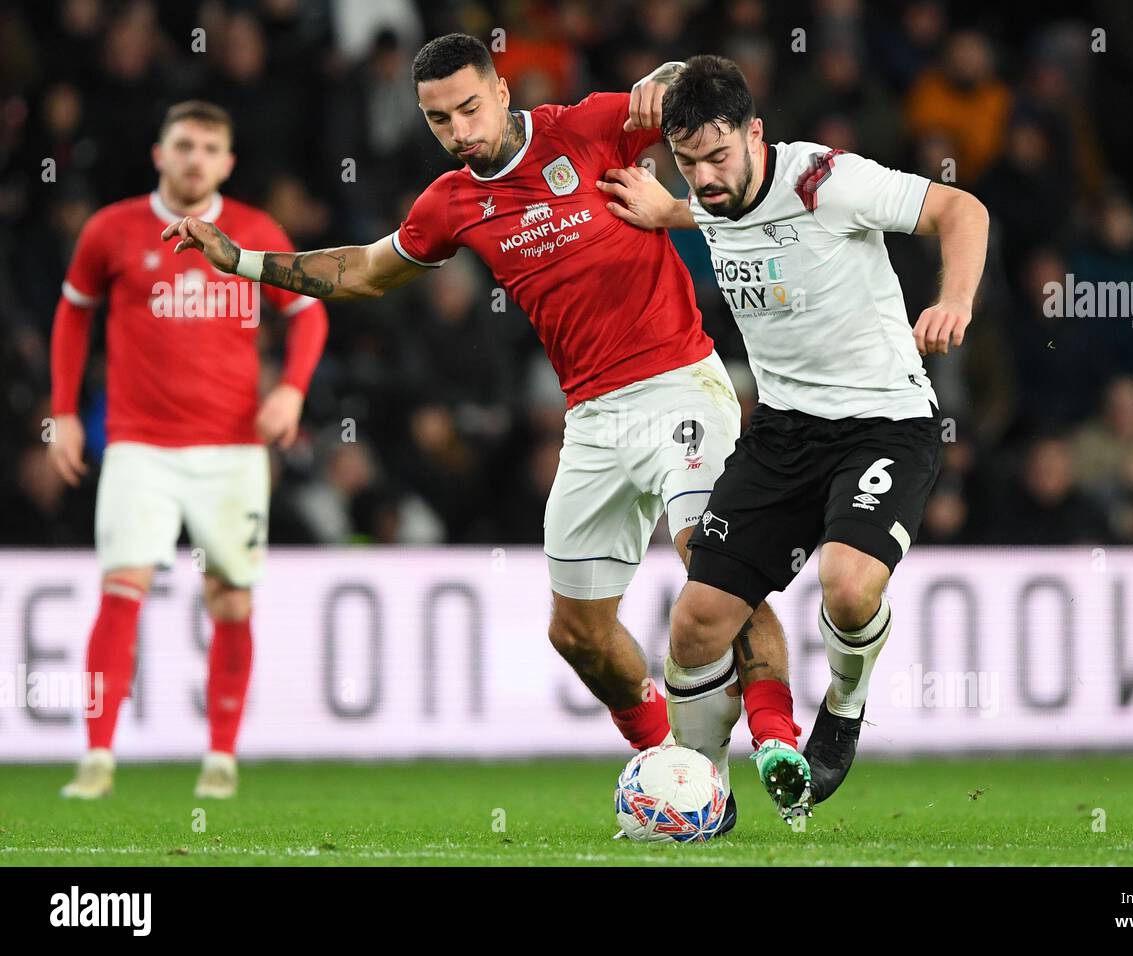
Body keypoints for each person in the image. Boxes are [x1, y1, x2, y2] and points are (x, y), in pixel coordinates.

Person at [162, 34, 790, 834]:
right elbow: (362, 270)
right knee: (578, 633)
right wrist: (241, 262)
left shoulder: (588, 125)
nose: (459, 131)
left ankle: (777, 736)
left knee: (714, 558)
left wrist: (667, 74)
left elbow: (701, 95)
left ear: (501, 88)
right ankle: (673, 767)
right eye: (438, 120)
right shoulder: (451, 203)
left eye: (468, 107)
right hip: (594, 416)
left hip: (680, 382)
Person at [598, 55, 988, 820]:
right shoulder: (707, 194)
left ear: (755, 133)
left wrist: (955, 302)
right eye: (687, 163)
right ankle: (701, 795)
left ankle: (844, 705)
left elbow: (962, 210)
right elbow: (712, 209)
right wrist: (663, 206)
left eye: (717, 156)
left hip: (884, 423)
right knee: (696, 621)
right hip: (781, 433)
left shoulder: (826, 181)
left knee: (847, 588)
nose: (704, 177)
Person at [52, 101, 330, 799]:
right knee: (122, 593)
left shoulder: (254, 230)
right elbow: (72, 313)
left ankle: (221, 758)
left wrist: (292, 390)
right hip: (139, 447)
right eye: (184, 145)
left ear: (228, 163)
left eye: (210, 147)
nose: (195, 158)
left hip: (233, 451)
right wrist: (61, 412)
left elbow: (309, 310)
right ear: (159, 153)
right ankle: (97, 758)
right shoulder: (111, 229)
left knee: (230, 601)